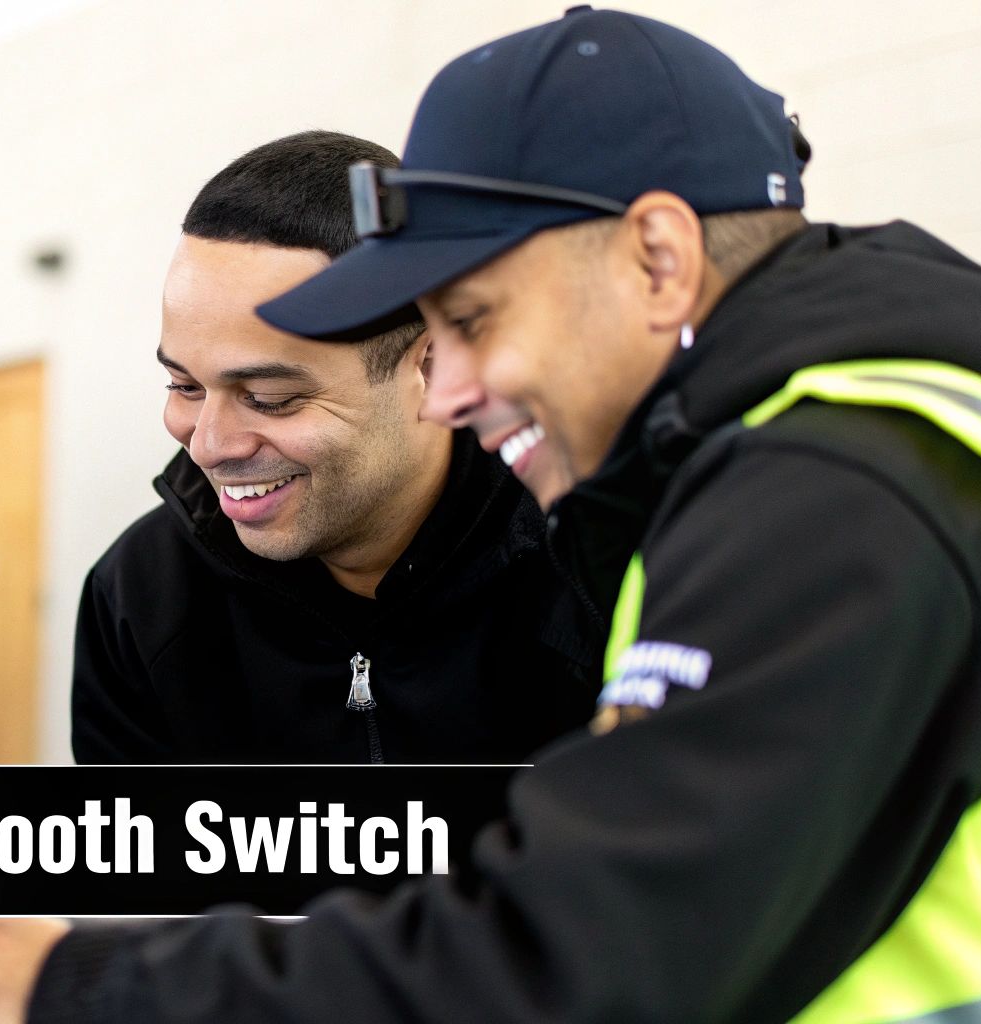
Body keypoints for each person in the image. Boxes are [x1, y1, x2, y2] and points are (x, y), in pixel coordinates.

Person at [0, 9, 981, 1022]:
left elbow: (578, 954)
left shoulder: (833, 492)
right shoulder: (831, 444)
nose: (454, 387)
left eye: (474, 321)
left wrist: (85, 988)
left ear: (655, 258)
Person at [72, 130, 597, 765]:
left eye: (269, 397)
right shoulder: (139, 600)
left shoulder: (590, 566)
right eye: (184, 385)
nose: (209, 446)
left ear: (431, 366)